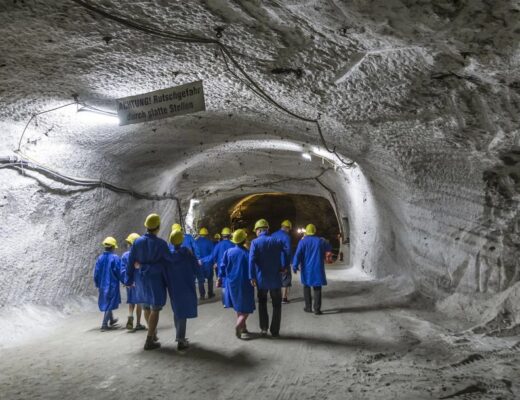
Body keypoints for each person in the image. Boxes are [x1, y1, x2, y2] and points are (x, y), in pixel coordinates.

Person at [126, 213, 172, 350]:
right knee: (155, 309)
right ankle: (149, 339)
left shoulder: (137, 242)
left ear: (146, 226)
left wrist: (128, 279)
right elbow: (168, 262)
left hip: (141, 279)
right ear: (158, 227)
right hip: (155, 280)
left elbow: (130, 262)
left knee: (146, 307)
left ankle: (152, 332)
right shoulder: (162, 244)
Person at [248, 219, 289, 337]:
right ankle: (275, 330)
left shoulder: (255, 243)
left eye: (256, 230)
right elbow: (287, 252)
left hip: (262, 279)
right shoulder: (277, 240)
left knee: (262, 303)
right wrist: (284, 266)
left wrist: (252, 277)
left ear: (259, 230)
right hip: (275, 278)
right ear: (267, 229)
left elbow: (251, 260)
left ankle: (264, 328)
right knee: (277, 305)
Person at [164, 230, 202, 350]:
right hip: (186, 285)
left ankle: (179, 336)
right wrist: (199, 277)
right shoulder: (187, 253)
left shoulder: (168, 256)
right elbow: (196, 267)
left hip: (174, 287)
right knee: (183, 313)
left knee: (177, 310)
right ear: (181, 241)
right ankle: (181, 340)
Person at [219, 229, 255, 340]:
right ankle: (239, 325)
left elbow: (222, 267)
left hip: (232, 283)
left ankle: (243, 328)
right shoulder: (247, 253)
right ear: (244, 240)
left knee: (239, 307)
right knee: (247, 308)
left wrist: (221, 278)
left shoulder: (228, 252)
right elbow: (252, 268)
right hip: (245, 283)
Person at [292, 224, 328, 315]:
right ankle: (317, 309)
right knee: (317, 288)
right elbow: (328, 248)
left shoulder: (302, 242)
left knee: (306, 287)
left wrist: (295, 266)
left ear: (306, 232)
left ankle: (308, 307)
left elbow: (298, 254)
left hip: (306, 269)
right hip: (317, 268)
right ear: (314, 231)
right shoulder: (320, 241)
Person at [94, 237, 121, 331]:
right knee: (110, 303)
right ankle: (104, 324)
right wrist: (126, 281)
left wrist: (97, 283)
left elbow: (96, 272)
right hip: (112, 284)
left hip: (102, 285)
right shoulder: (115, 258)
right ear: (113, 247)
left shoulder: (100, 258)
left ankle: (112, 320)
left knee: (107, 302)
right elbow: (119, 271)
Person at [120, 233, 146, 331]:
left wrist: (125, 281)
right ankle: (138, 324)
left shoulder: (125, 255)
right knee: (139, 302)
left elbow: (122, 271)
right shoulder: (142, 255)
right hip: (139, 283)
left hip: (130, 283)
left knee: (131, 301)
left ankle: (130, 319)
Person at [206, 227, 234, 306]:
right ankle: (232, 300)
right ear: (229, 235)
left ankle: (225, 302)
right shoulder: (233, 244)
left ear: (222, 236)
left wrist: (204, 261)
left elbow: (213, 256)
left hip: (220, 267)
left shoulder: (218, 245)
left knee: (223, 285)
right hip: (231, 267)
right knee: (231, 283)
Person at [271, 220, 293, 304]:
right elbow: (288, 251)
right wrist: (291, 261)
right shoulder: (287, 237)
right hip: (283, 262)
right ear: (287, 228)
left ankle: (275, 297)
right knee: (285, 279)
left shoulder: (273, 235)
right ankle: (284, 298)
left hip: (273, 261)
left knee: (275, 279)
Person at [195, 227, 215, 300]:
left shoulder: (195, 242)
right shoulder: (209, 242)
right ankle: (210, 293)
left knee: (200, 280)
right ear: (206, 234)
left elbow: (193, 254)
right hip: (208, 264)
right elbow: (213, 254)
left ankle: (202, 295)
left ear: (200, 234)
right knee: (210, 279)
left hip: (199, 264)